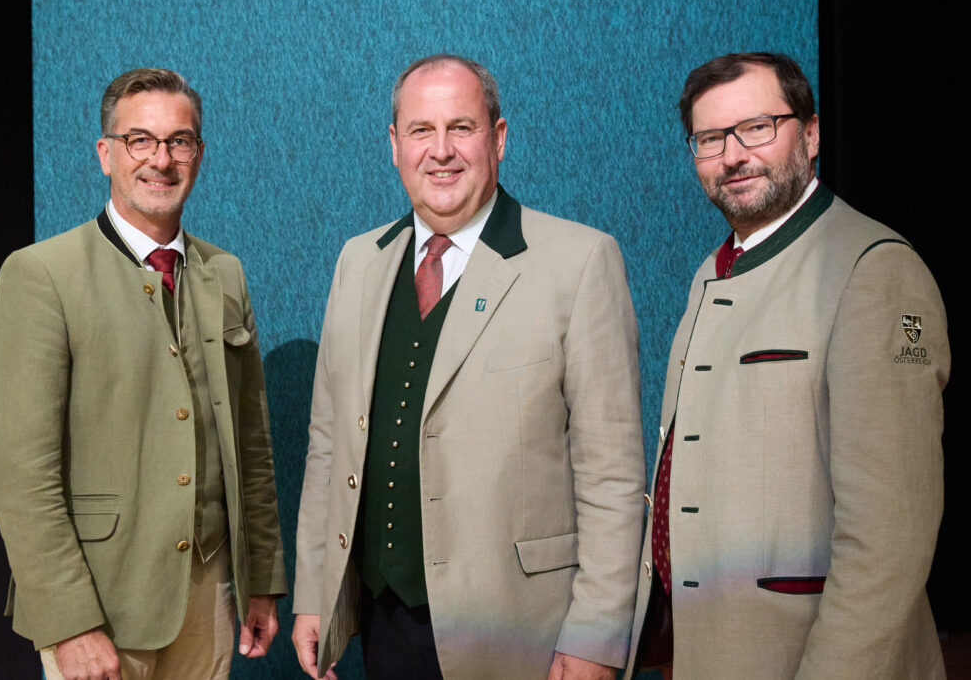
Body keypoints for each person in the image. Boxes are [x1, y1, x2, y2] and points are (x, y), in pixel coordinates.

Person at [291, 54, 645, 679]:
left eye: (462, 127)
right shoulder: (358, 262)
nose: (441, 151)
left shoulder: (580, 262)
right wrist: (317, 592)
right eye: (421, 131)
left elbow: (612, 476)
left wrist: (597, 637)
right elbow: (328, 445)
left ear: (498, 138)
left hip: (523, 631)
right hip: (383, 622)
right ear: (394, 145)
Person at [627, 52, 949, 678]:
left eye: (758, 127)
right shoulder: (710, 272)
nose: (733, 155)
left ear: (812, 133)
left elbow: (889, 541)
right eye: (711, 138)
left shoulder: (874, 271)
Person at [0, 68, 287, 680]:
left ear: (198, 154)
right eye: (140, 140)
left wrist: (260, 580)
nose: (161, 159)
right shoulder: (42, 275)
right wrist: (69, 623)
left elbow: (250, 445)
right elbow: (22, 478)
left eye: (180, 141)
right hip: (100, 605)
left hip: (208, 601)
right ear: (106, 154)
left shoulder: (225, 273)